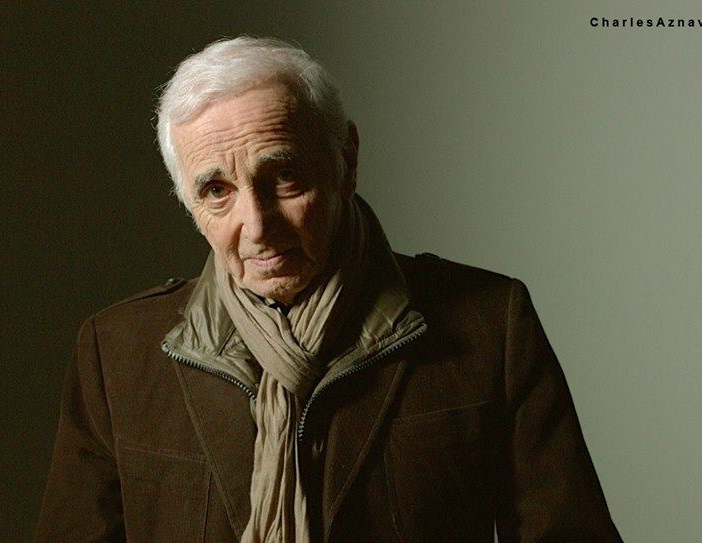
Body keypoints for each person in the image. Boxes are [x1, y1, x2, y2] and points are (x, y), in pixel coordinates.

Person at [35, 36, 622, 543]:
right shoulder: (116, 354)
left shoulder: (491, 327)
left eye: (284, 176)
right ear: (189, 202)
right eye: (217, 191)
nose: (257, 226)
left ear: (346, 160)